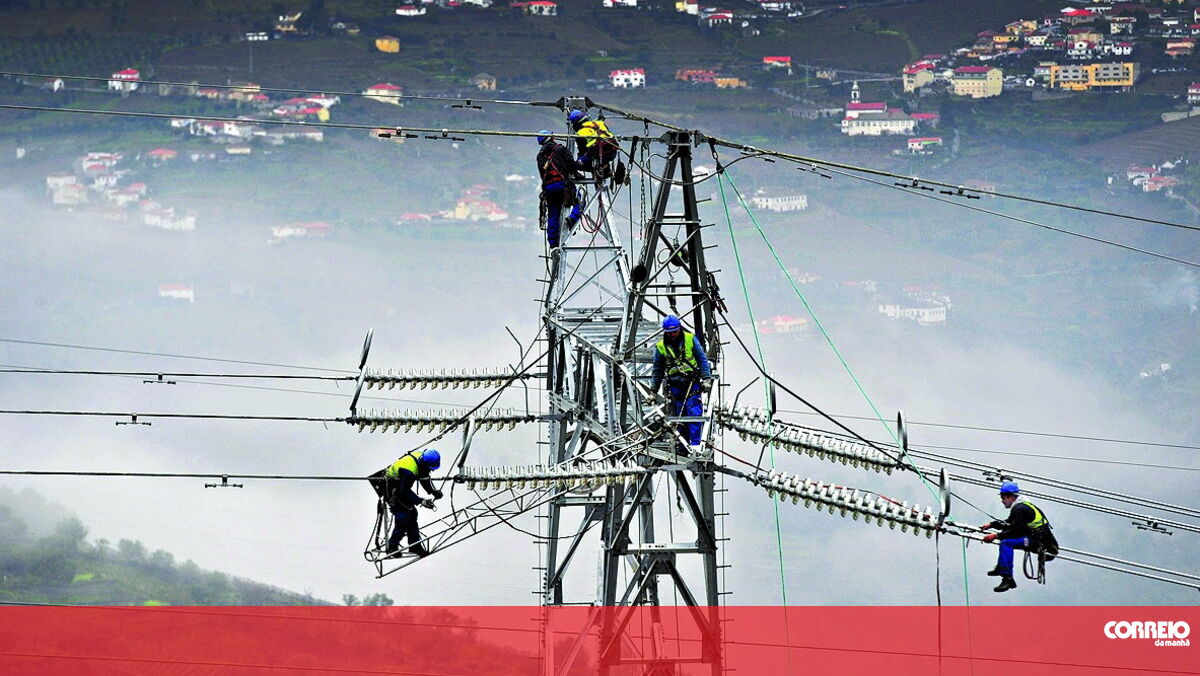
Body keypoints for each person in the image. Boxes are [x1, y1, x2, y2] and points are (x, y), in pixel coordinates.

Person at [979, 481, 1056, 593]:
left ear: (1011, 497)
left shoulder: (1020, 509)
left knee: (1006, 543)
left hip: (1038, 542)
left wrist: (995, 536)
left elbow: (1016, 531)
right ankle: (1001, 567)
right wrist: (992, 525)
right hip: (1035, 537)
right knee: (1005, 535)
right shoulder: (1022, 506)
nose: (1002, 501)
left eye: (1003, 498)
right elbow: (1010, 523)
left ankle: (1008, 579)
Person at [649, 315, 712, 446]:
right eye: (669, 332)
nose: (672, 335)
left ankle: (695, 445)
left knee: (694, 414)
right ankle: (683, 446)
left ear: (679, 329)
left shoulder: (690, 339)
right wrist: (653, 391)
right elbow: (657, 370)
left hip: (692, 383)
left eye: (675, 332)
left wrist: (706, 378)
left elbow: (702, 359)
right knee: (679, 418)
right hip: (675, 387)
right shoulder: (661, 347)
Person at [379, 448, 443, 557]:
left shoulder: (421, 459)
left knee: (412, 514)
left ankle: (415, 546)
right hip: (391, 488)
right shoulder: (409, 470)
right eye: (430, 468)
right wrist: (421, 501)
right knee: (403, 517)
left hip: (400, 487)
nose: (431, 471)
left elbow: (424, 477)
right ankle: (392, 548)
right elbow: (404, 491)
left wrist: (433, 492)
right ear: (424, 464)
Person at [536, 130, 582, 250]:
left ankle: (553, 245)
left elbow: (542, 173)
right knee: (579, 201)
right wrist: (577, 173)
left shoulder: (540, 156)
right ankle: (572, 218)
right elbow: (571, 165)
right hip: (562, 186)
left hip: (549, 189)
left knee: (553, 215)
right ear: (551, 137)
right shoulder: (561, 149)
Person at [567, 109, 619, 178]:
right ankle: (604, 167)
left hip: (597, 154)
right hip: (612, 153)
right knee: (596, 155)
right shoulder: (600, 123)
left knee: (578, 165)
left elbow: (583, 151)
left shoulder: (580, 133)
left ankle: (600, 169)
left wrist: (580, 159)